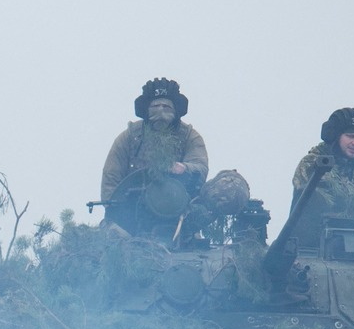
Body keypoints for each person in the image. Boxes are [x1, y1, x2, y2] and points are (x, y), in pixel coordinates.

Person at [98, 78, 246, 240]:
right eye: (155, 106)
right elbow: (111, 178)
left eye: (166, 106)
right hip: (133, 217)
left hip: (182, 215)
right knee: (116, 237)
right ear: (146, 110)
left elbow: (200, 166)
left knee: (231, 185)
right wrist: (116, 212)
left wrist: (184, 168)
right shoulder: (130, 138)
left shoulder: (189, 136)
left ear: (176, 110)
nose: (160, 110)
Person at [275, 107, 354, 259]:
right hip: (311, 250)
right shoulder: (313, 164)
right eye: (350, 136)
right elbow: (317, 206)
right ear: (336, 136)